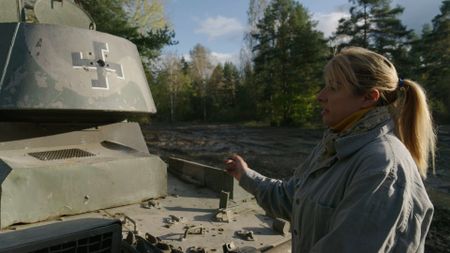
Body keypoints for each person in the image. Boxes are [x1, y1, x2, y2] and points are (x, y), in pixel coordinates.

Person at [225, 47, 435, 253]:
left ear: (369, 97)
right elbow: (294, 200)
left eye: (334, 87)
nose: (320, 96)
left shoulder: (382, 167)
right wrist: (245, 175)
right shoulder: (336, 145)